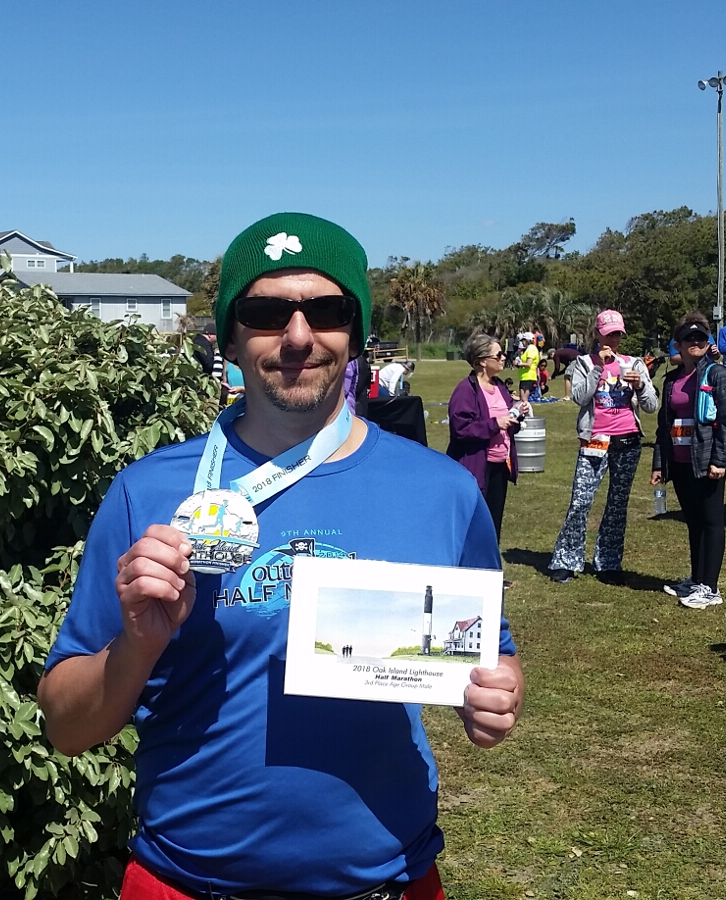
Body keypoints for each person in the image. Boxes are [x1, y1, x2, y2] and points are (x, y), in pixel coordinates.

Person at [38, 212, 525, 898]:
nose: (298, 335)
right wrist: (136, 648)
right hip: (186, 883)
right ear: (231, 338)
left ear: (354, 332)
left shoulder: (440, 490)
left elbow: (492, 652)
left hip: (387, 883)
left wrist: (497, 694)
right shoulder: (148, 492)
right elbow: (65, 727)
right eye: (266, 313)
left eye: (326, 310)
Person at [548, 310, 660, 585]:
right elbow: (579, 397)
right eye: (609, 334)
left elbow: (651, 406)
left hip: (627, 441)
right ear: (598, 334)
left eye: (618, 334)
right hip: (594, 441)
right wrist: (599, 367)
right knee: (580, 502)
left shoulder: (633, 363)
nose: (614, 339)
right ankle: (566, 560)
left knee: (617, 506)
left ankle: (608, 562)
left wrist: (640, 385)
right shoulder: (584, 363)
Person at [651, 312, 726, 609]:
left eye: (701, 338)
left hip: (707, 460)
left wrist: (719, 460)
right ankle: (697, 578)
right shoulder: (672, 380)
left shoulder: (717, 374)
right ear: (677, 344)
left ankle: (710, 587)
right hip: (680, 461)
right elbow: (663, 426)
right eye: (689, 338)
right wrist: (659, 463)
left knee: (711, 521)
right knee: (693, 521)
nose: (696, 342)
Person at [449, 333, 526, 541]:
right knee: (473, 525)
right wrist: (495, 424)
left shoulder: (500, 386)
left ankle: (491, 561)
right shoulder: (466, 391)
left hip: (500, 467)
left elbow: (507, 421)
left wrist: (517, 414)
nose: (503, 358)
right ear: (482, 361)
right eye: (498, 355)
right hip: (476, 467)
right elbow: (461, 428)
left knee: (493, 524)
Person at [515, 331, 542, 402]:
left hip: (528, 376)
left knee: (524, 400)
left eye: (523, 340)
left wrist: (518, 364)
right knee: (522, 399)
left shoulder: (531, 349)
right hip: (524, 376)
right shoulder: (528, 349)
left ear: (528, 340)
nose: (522, 342)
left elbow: (528, 364)